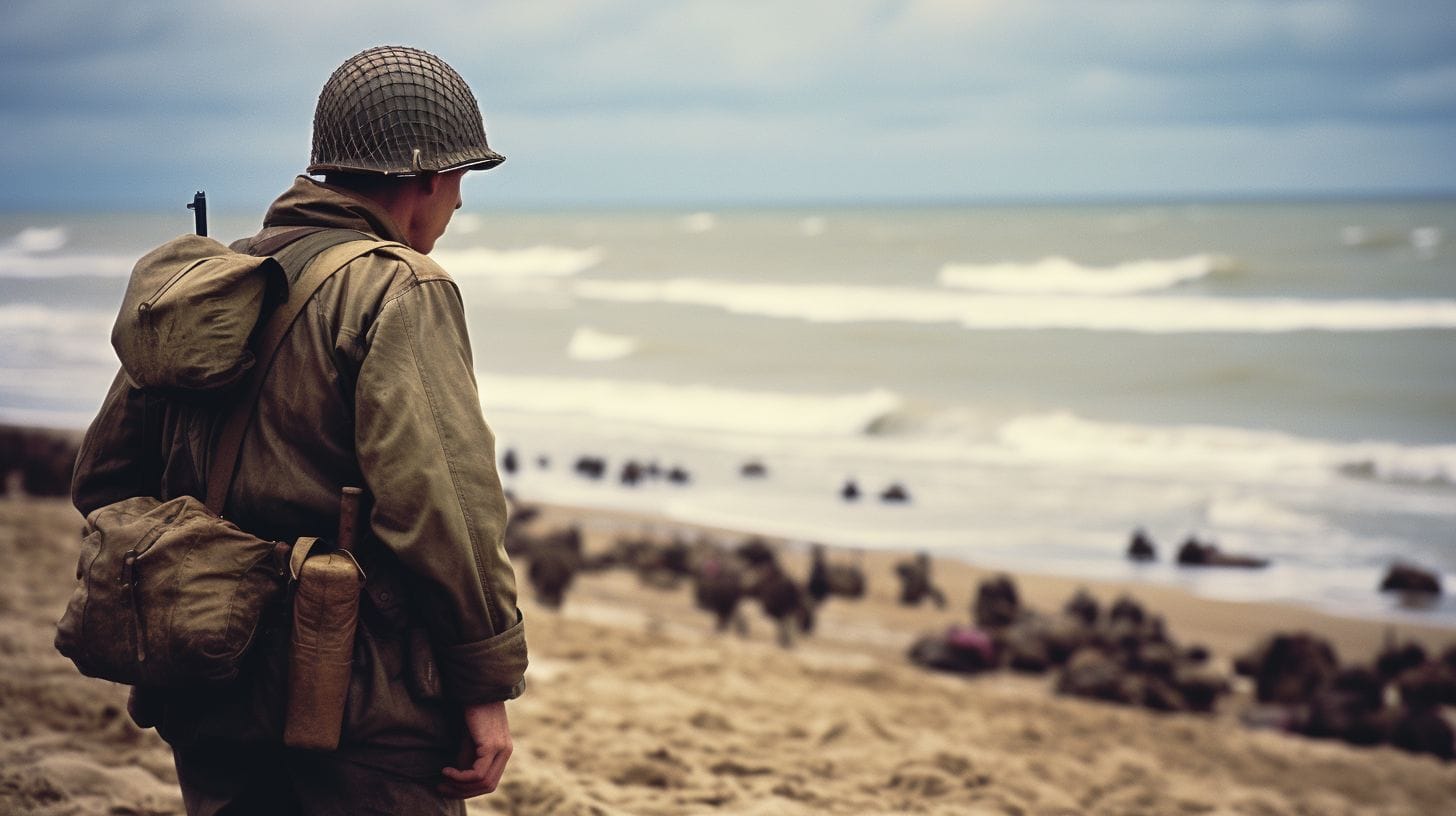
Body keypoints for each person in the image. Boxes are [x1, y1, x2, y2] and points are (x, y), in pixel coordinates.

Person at [70, 45, 526, 814]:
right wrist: (486, 683)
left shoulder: (216, 281)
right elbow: (443, 511)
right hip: (358, 704)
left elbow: (103, 481)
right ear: (425, 179)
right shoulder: (400, 286)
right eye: (460, 182)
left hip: (204, 673)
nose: (457, 206)